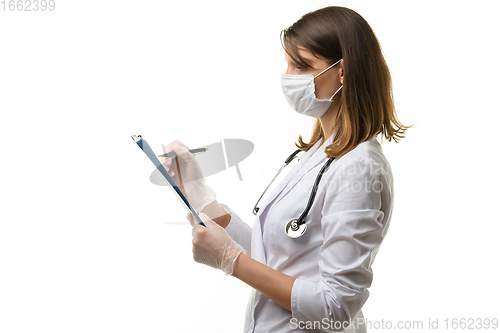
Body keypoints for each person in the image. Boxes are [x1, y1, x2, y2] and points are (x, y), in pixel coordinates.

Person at [161, 6, 411, 333]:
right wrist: (198, 195)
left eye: (303, 66)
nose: (289, 78)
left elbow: (335, 307)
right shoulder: (318, 153)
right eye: (288, 65)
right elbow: (277, 257)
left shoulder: (359, 167)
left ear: (343, 72)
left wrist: (231, 261)